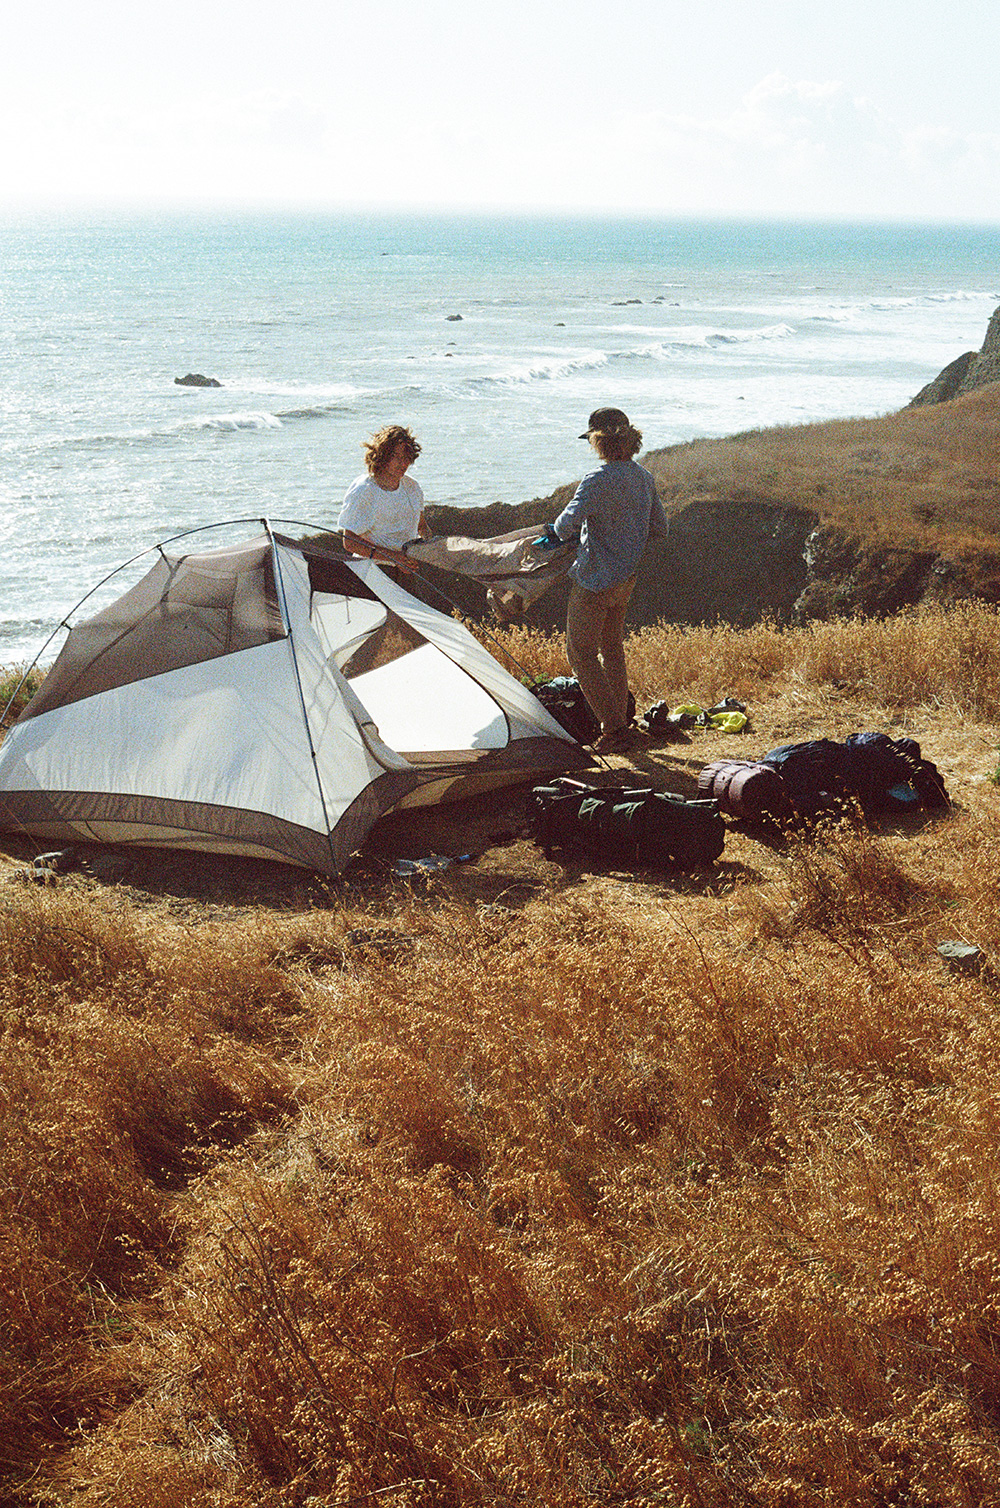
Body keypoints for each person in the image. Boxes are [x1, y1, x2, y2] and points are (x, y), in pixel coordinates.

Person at [539, 407, 667, 754]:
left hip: (595, 579)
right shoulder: (644, 477)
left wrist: (567, 532)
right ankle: (622, 722)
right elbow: (660, 528)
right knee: (612, 648)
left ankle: (613, 730)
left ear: (599, 442)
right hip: (627, 578)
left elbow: (565, 526)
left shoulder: (597, 480)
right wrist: (628, 533)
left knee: (580, 652)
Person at [338, 424, 431, 574]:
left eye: (407, 457)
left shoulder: (412, 487)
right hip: (373, 571)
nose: (403, 463)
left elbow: (421, 527)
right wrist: (394, 558)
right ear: (382, 456)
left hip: (405, 569)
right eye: (396, 457)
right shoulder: (365, 490)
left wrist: (427, 546)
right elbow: (349, 542)